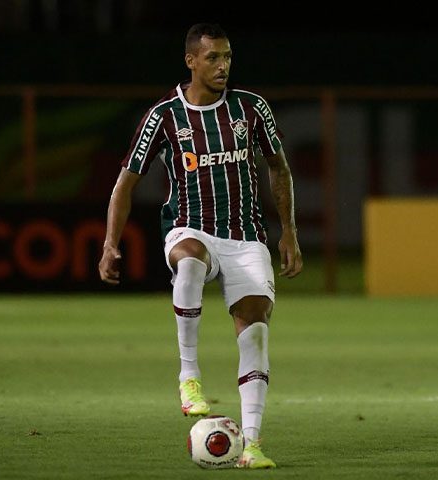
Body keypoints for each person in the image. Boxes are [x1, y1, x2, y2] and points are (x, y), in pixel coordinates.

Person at [98, 23, 302, 469]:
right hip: (190, 228)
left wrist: (288, 230)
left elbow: (279, 168)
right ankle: (189, 376)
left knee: (256, 332)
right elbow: (125, 183)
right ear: (191, 61)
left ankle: (252, 446)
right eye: (213, 58)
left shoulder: (251, 108)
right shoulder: (165, 116)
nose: (223, 66)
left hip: (246, 237)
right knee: (189, 263)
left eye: (227, 57)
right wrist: (110, 243)